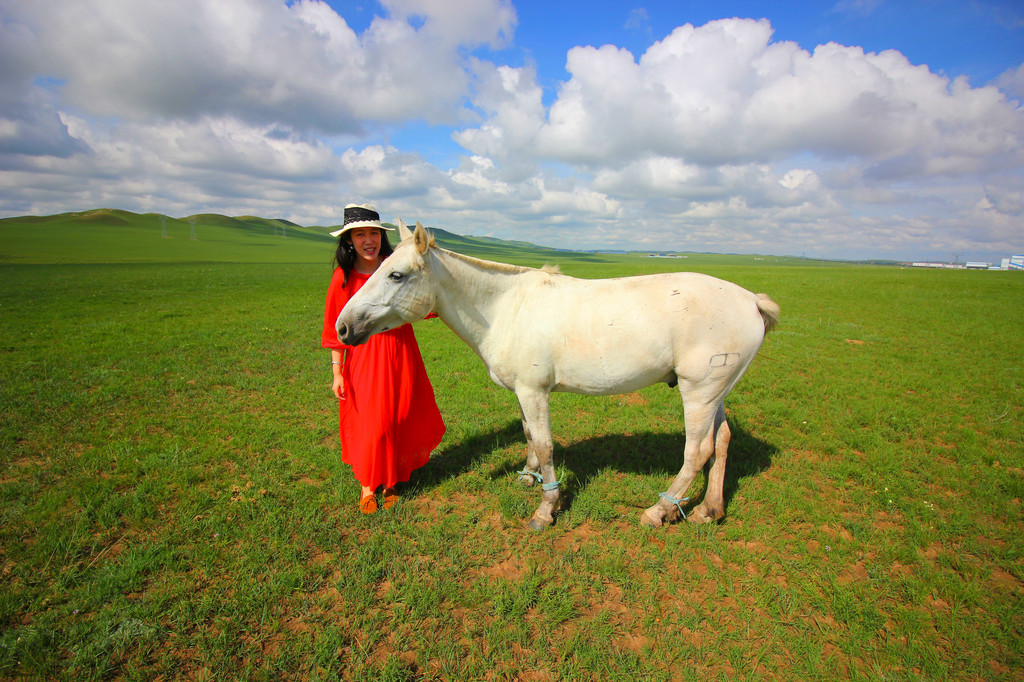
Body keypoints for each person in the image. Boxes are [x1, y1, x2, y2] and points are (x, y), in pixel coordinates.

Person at [321, 203, 446, 514]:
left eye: (373, 233)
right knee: (371, 423)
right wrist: (337, 371)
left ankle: (390, 481)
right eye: (359, 234)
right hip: (365, 358)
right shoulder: (343, 278)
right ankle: (367, 485)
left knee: (398, 415)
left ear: (381, 236)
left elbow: (419, 297)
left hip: (401, 350)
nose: (368, 240)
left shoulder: (393, 266)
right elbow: (334, 329)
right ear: (348, 240)